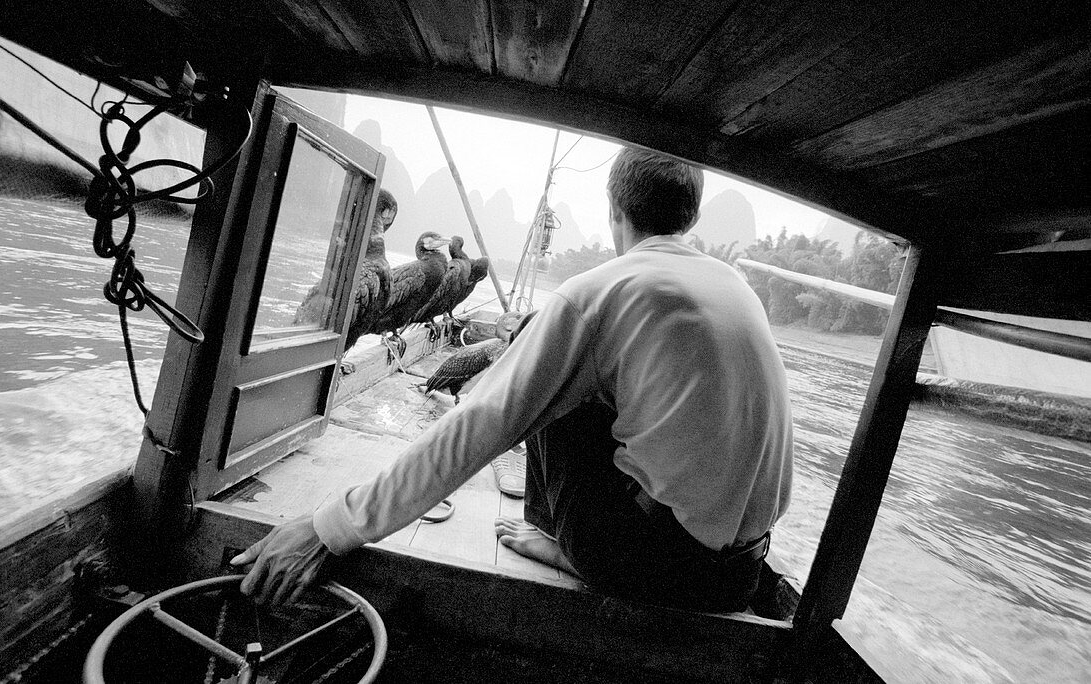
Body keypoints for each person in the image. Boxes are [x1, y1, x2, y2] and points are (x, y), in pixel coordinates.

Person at [233, 147, 793, 612]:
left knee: (542, 362)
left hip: (650, 570)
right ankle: (566, 542)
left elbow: (481, 422)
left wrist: (331, 526)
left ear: (613, 208)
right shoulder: (738, 288)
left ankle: (570, 549)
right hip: (739, 574)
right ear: (691, 217)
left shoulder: (599, 292)